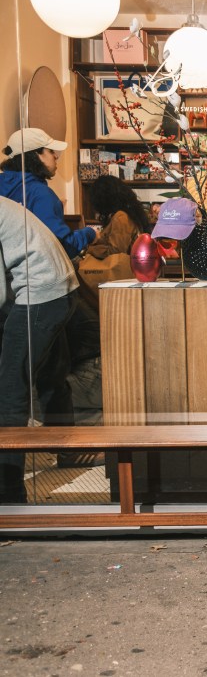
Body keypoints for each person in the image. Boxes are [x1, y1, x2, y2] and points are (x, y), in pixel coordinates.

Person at [0, 198, 79, 502]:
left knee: (10, 389)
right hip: (60, 287)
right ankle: (67, 449)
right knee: (50, 374)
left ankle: (8, 491)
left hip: (41, 293)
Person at [0, 128, 96, 257]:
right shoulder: (41, 194)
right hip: (34, 275)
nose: (56, 156)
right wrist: (90, 233)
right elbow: (65, 246)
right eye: (50, 151)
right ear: (36, 155)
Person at [77, 175, 153, 310]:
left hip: (122, 277)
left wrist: (88, 249)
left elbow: (116, 250)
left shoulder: (121, 217)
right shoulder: (124, 214)